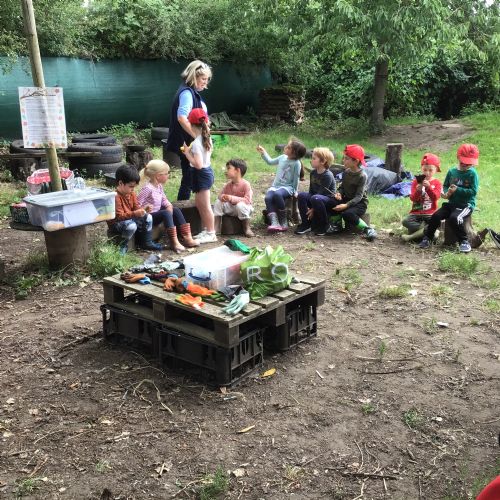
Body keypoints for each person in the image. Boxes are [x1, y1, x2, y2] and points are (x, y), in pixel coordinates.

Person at [165, 60, 212, 201]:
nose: (206, 82)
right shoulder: (186, 93)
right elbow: (181, 118)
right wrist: (197, 136)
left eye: (207, 79)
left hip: (190, 140)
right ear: (193, 77)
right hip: (186, 140)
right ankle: (182, 207)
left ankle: (187, 205)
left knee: (190, 176)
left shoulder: (191, 92)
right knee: (188, 177)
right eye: (203, 79)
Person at [420, 143, 479, 253]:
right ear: (458, 158)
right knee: (436, 216)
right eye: (463, 162)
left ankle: (464, 241)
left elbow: (473, 192)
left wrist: (458, 190)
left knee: (454, 218)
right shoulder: (452, 172)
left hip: (465, 205)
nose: (466, 165)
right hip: (451, 203)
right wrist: (447, 192)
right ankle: (428, 237)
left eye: (469, 163)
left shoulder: (472, 174)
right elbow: (445, 185)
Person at [137, 159, 199, 253]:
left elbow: (164, 199)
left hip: (156, 213)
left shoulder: (159, 186)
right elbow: (137, 205)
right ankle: (174, 242)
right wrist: (144, 209)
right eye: (166, 173)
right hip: (147, 218)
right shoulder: (147, 188)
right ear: (158, 176)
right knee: (165, 213)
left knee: (176, 209)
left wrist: (169, 205)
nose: (168, 175)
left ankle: (187, 238)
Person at [107, 165, 162, 254]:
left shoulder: (131, 194)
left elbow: (136, 208)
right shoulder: (115, 197)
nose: (133, 189)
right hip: (117, 223)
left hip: (129, 219)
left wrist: (144, 210)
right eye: (131, 186)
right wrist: (135, 213)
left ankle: (147, 242)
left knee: (148, 217)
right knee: (131, 226)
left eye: (134, 187)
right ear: (120, 183)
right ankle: (123, 245)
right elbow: (119, 216)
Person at [327, 144, 377, 241]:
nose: (343, 160)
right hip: (347, 199)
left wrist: (346, 205)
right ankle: (337, 225)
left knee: (347, 214)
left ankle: (367, 229)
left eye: (346, 159)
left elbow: (359, 196)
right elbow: (342, 187)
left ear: (356, 161)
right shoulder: (346, 172)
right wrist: (339, 193)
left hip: (359, 203)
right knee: (331, 201)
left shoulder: (362, 176)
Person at [182, 108, 217, 244]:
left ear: (191, 124)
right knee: (199, 204)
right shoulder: (205, 138)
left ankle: (211, 233)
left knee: (205, 205)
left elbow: (198, 164)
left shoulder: (197, 143)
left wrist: (187, 153)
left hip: (201, 174)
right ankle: (207, 230)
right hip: (204, 174)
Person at [257, 138, 306, 232]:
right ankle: (274, 222)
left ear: (294, 153)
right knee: (268, 197)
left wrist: (295, 191)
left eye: (288, 147)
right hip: (276, 186)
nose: (285, 147)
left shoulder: (296, 163)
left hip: (288, 187)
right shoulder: (282, 157)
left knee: (278, 194)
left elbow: (296, 178)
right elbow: (270, 161)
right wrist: (263, 152)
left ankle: (283, 221)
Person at [401, 153, 443, 242]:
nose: (427, 173)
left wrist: (428, 188)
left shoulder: (437, 183)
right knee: (405, 221)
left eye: (430, 170)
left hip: (430, 214)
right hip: (416, 213)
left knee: (435, 234)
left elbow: (435, 197)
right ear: (421, 168)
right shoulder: (416, 182)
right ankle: (426, 230)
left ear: (436, 170)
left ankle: (411, 237)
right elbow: (412, 198)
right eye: (425, 170)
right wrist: (418, 191)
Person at [295, 147, 336, 235]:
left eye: (314, 158)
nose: (311, 160)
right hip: (316, 198)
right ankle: (306, 223)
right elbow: (311, 191)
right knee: (302, 195)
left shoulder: (327, 175)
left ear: (323, 161)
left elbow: (321, 193)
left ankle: (324, 226)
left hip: (327, 200)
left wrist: (312, 209)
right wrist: (309, 204)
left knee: (316, 198)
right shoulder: (313, 173)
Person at [213, 158, 254, 237]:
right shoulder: (228, 185)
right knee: (218, 202)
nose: (226, 171)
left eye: (229, 168)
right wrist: (223, 197)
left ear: (237, 170)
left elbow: (247, 200)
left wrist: (231, 198)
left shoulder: (246, 184)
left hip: (244, 209)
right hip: (232, 209)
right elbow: (220, 195)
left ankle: (247, 228)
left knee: (240, 205)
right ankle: (216, 227)